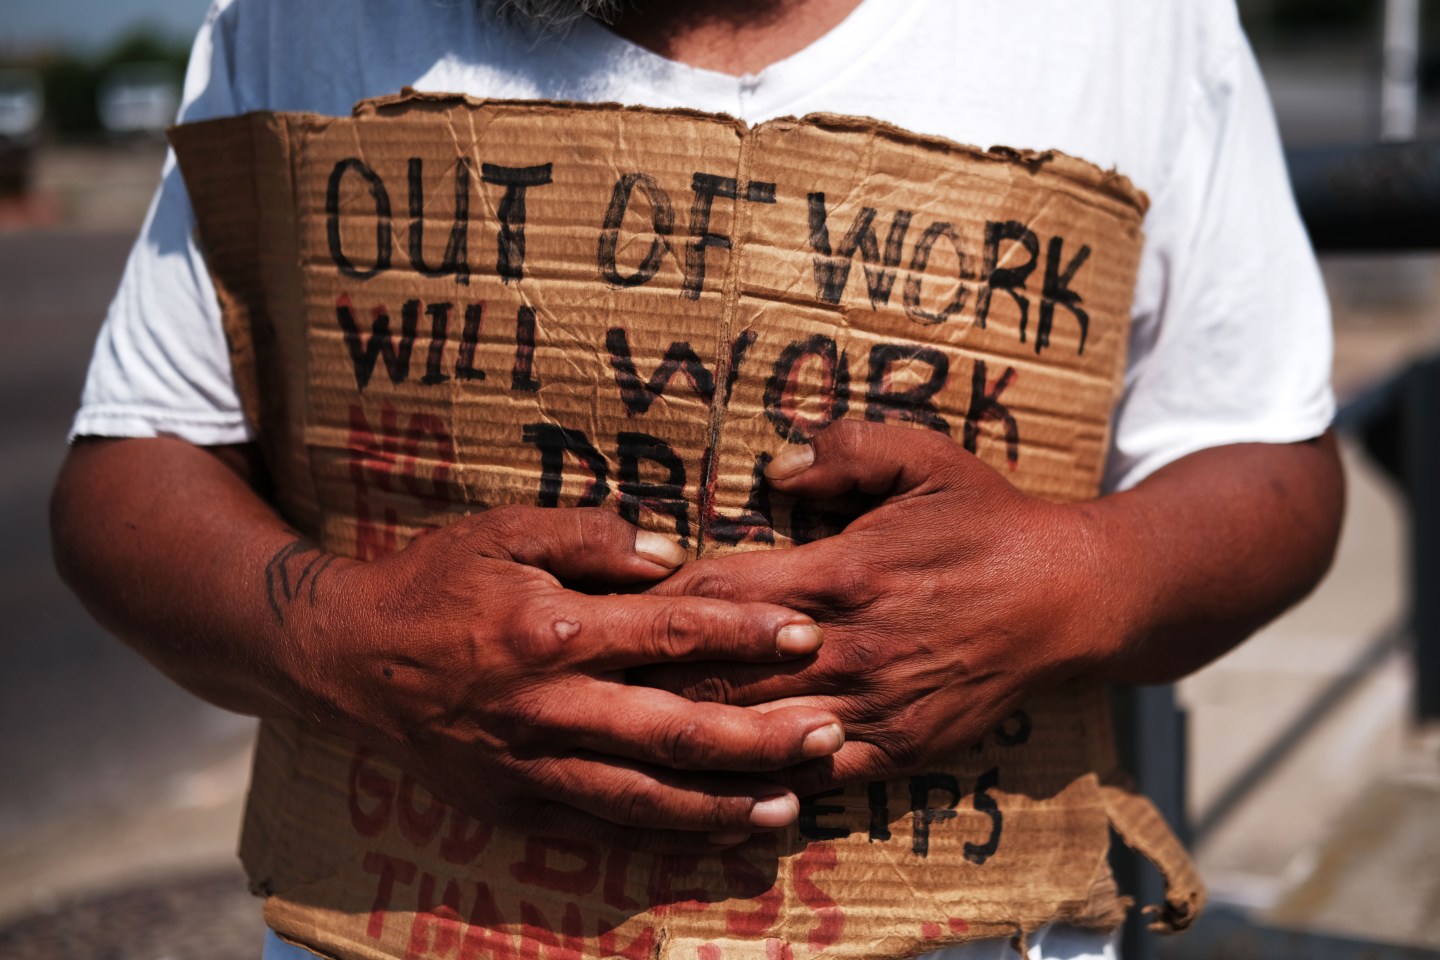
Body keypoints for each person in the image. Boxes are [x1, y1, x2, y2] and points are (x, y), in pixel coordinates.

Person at [50, 1, 1344, 958]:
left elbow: (1270, 463)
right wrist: (341, 639)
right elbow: (131, 468)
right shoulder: (295, 17)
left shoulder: (1133, 25)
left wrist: (1079, 583)